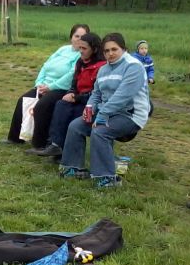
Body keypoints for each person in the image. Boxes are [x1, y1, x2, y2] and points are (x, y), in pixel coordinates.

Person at [59, 33, 151, 188]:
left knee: (100, 131)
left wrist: (102, 114)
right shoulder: (103, 70)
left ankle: (106, 178)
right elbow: (96, 93)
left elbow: (123, 96)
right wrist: (89, 108)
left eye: (114, 49)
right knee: (75, 126)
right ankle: (72, 168)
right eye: (107, 51)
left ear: (124, 49)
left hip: (130, 114)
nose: (110, 54)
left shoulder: (133, 66)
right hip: (106, 112)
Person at [2, 24, 91, 150]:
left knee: (42, 106)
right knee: (23, 99)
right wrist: (39, 83)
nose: (79, 39)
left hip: (61, 88)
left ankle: (39, 144)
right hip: (44, 86)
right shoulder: (63, 49)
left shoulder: (81, 55)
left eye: (83, 37)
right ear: (71, 37)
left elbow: (71, 75)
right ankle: (14, 138)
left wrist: (50, 87)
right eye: (77, 36)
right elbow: (46, 65)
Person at [34, 33, 106, 158]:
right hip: (79, 98)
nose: (80, 51)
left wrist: (76, 98)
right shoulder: (80, 62)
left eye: (84, 48)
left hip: (92, 102)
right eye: (80, 48)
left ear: (94, 49)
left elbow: (97, 93)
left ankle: (66, 152)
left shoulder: (101, 67)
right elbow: (74, 84)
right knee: (61, 105)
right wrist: (71, 93)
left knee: (72, 115)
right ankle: (55, 145)